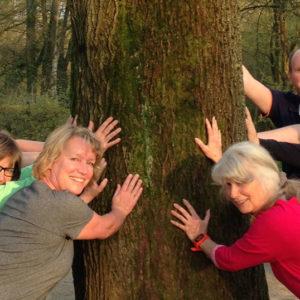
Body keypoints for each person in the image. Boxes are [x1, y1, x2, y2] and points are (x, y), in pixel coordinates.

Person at [0, 124, 143, 299]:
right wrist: (120, 210)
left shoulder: (29, 193)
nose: (84, 170)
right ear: (51, 160)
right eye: (75, 159)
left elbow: (53, 221)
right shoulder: (59, 205)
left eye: (90, 163)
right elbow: (106, 227)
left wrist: (86, 196)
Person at [171, 141, 300, 298]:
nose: (232, 194)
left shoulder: (273, 222)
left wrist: (200, 238)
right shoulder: (289, 200)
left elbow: (229, 260)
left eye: (241, 182)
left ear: (264, 178)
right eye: (228, 184)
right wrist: (225, 162)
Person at [0, 116, 121, 211]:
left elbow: (18, 146)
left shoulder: (11, 180)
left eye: (7, 170)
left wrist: (65, 144)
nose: (2, 177)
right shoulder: (9, 194)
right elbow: (54, 215)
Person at [243, 48, 300, 128]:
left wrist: (254, 139)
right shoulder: (285, 104)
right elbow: (247, 82)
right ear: (290, 76)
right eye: (299, 70)